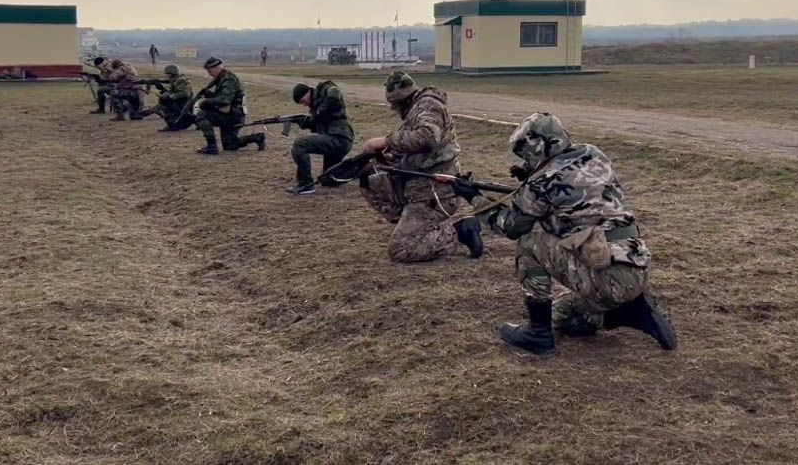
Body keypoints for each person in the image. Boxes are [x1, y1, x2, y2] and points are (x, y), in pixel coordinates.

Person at [452, 112, 677, 355]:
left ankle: (538, 333)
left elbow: (512, 227)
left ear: (536, 146)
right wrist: (531, 179)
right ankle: (628, 313)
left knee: (529, 242)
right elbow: (574, 191)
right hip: (635, 265)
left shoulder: (540, 183)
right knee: (560, 314)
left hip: (608, 280)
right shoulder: (593, 153)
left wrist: (473, 197)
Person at [357, 70, 483, 263]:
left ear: (402, 100)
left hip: (434, 193)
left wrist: (387, 141)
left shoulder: (428, 105)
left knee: (400, 250)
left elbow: (427, 138)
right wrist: (390, 158)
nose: (395, 109)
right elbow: (417, 152)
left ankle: (459, 233)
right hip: (416, 187)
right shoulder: (418, 109)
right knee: (370, 180)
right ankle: (412, 227)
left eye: (395, 105)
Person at [286, 81, 354, 195]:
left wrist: (316, 115)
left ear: (308, 92)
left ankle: (305, 184)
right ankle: (362, 169)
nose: (305, 104)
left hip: (339, 138)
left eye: (303, 101)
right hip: (337, 141)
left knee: (299, 144)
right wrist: (305, 123)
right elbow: (319, 123)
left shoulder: (325, 90)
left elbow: (334, 94)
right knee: (329, 179)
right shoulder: (315, 106)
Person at [195, 57, 265, 155]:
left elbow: (225, 100)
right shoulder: (223, 78)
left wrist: (207, 102)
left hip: (232, 115)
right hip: (231, 114)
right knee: (230, 145)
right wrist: (210, 95)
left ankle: (211, 146)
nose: (210, 74)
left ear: (217, 68)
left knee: (202, 115)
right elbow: (224, 97)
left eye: (210, 71)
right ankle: (257, 138)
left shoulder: (228, 79)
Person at [138, 64, 194, 131]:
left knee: (164, 103)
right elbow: (173, 91)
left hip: (184, 103)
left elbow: (184, 93)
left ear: (173, 73)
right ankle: (170, 123)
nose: (167, 75)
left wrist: (170, 96)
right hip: (180, 102)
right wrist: (162, 89)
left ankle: (170, 123)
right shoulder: (175, 80)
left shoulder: (180, 80)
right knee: (163, 100)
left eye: (168, 74)